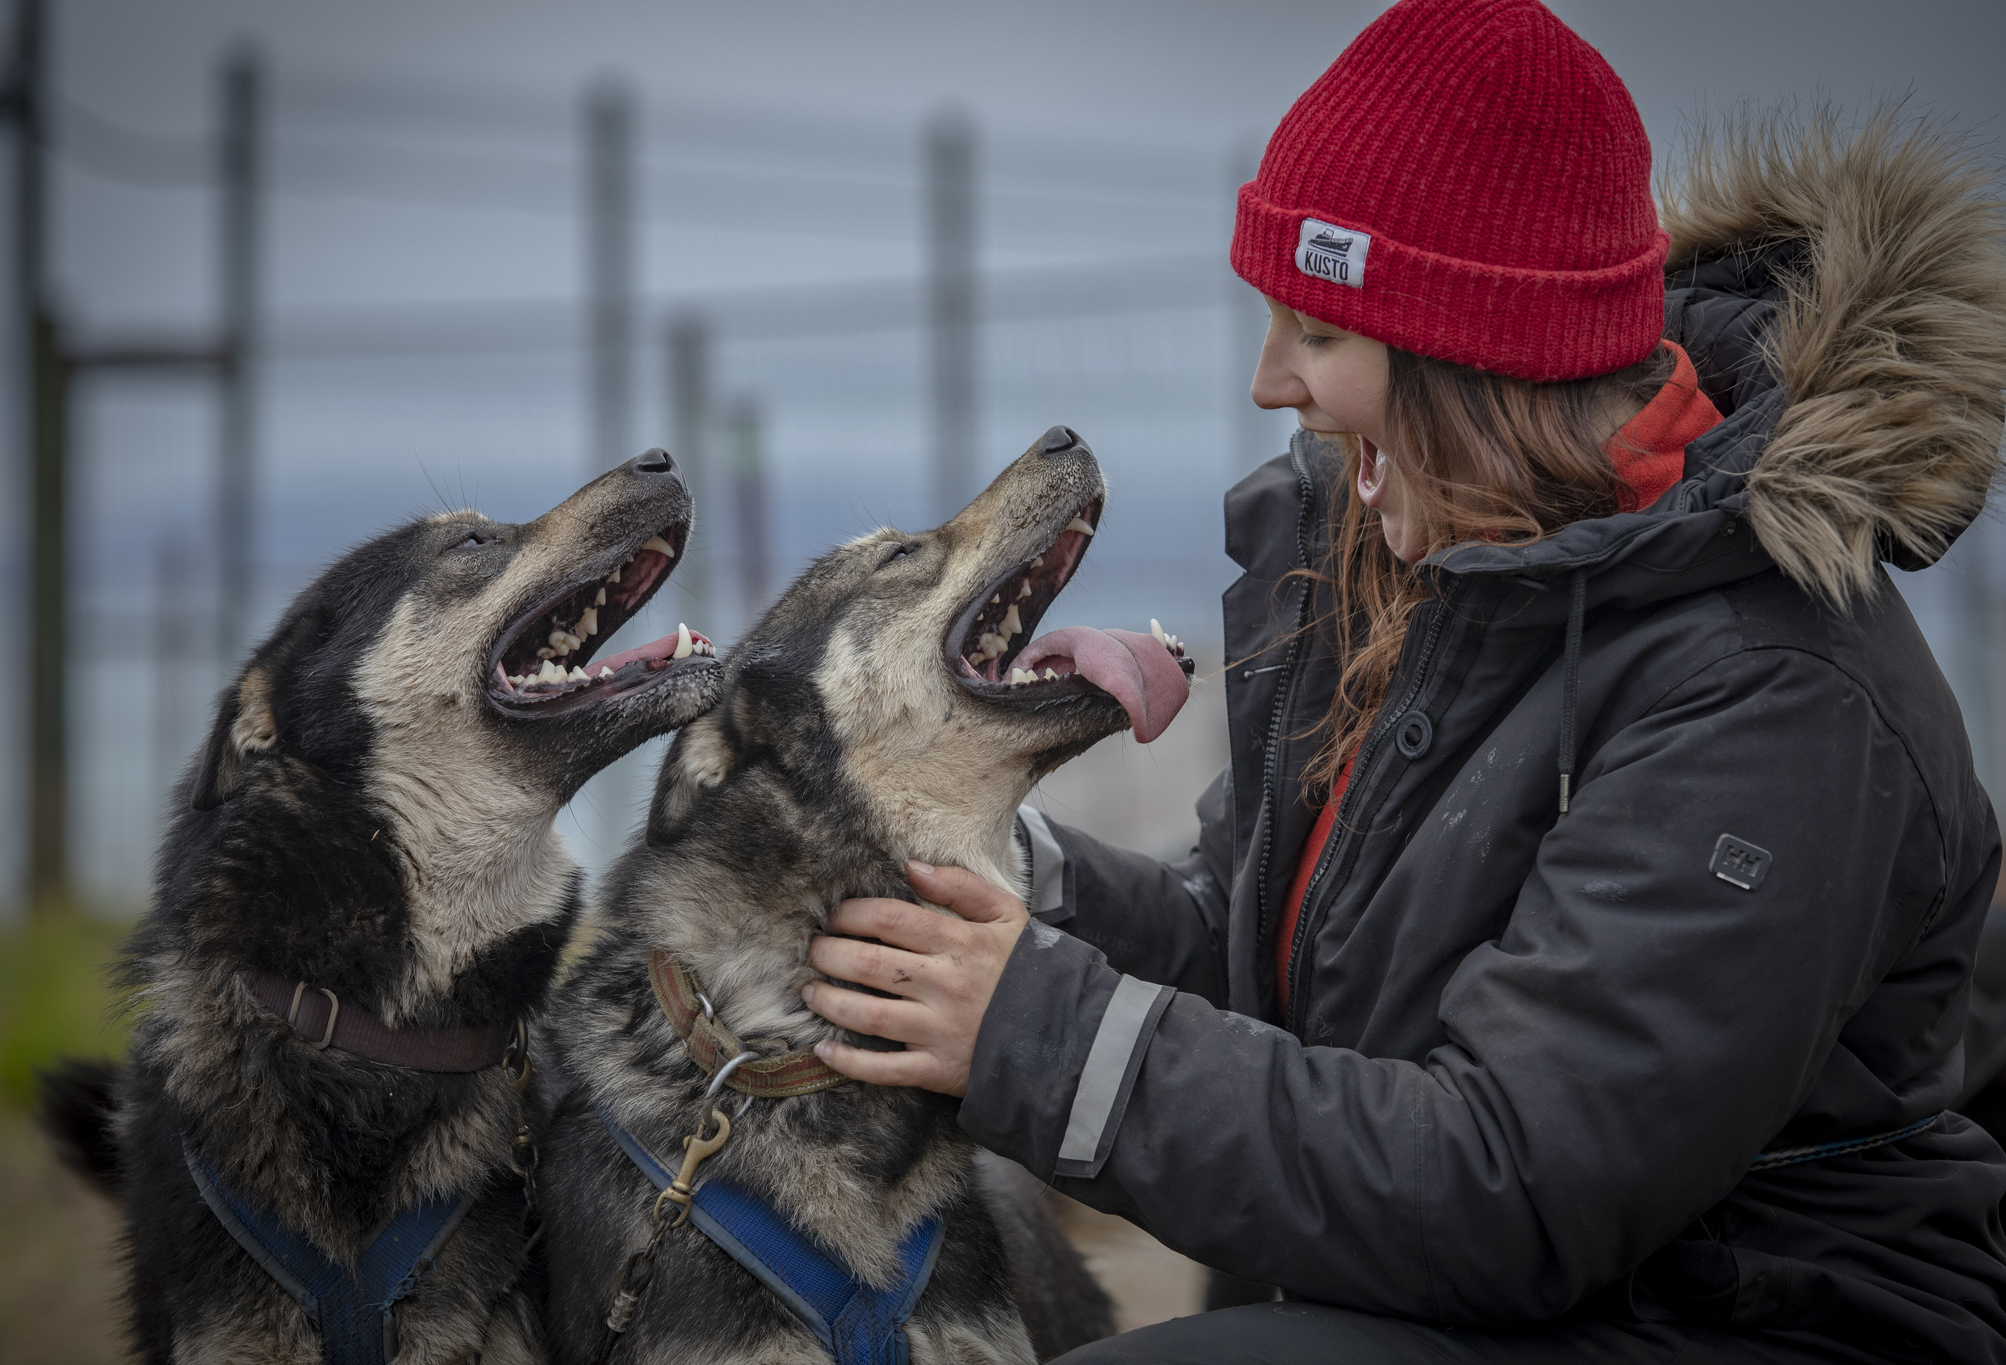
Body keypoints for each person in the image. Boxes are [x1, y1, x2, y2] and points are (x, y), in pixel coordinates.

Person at [799, 0, 2006, 1358]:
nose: (1270, 383)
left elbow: (1519, 1183)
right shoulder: (1404, 561)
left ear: (1473, 353)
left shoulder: (1779, 694)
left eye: (1314, 332)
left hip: (1738, 1317)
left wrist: (1035, 1031)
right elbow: (1249, 958)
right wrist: (1001, 873)